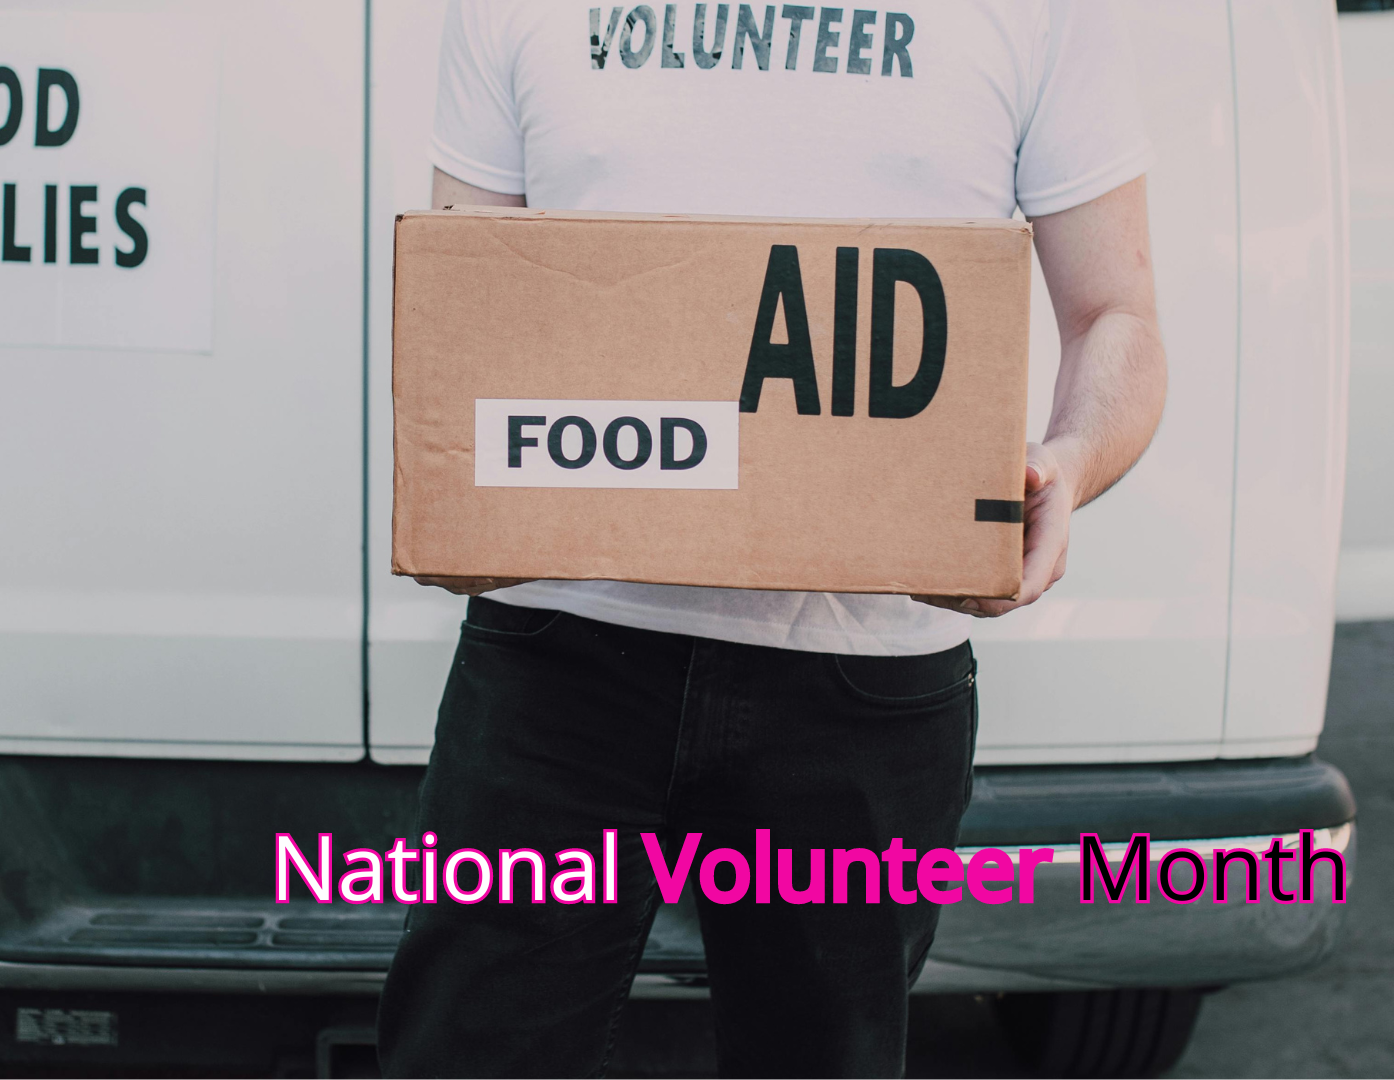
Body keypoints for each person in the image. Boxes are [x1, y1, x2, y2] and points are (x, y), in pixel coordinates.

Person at [375, 2, 1167, 1077]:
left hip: (865, 679)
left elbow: (1116, 315)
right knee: (469, 1054)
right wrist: (461, 498)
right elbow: (473, 303)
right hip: (558, 656)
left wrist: (1068, 465)